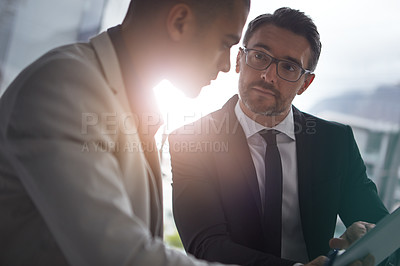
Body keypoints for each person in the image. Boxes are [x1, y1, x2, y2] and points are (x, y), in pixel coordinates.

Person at [0, 0, 250, 265]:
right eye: (225, 43)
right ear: (179, 23)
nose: (226, 65)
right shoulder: (64, 87)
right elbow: (119, 256)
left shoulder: (132, 102)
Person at [169, 7, 390, 266]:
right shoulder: (191, 142)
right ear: (240, 60)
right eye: (260, 56)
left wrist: (367, 241)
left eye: (288, 66)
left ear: (305, 83)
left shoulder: (335, 142)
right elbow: (206, 246)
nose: (268, 75)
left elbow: (385, 235)